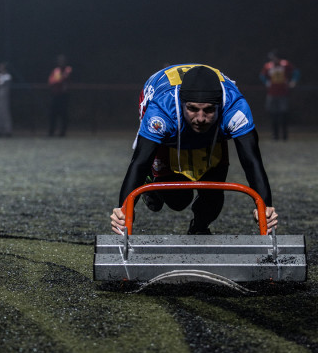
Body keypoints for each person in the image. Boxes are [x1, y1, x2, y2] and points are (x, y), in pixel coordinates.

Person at [111, 64, 278, 235]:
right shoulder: (162, 110)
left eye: (209, 110)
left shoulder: (234, 107)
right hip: (170, 123)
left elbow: (251, 161)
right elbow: (140, 162)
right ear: (181, 103)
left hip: (211, 131)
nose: (200, 118)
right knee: (179, 201)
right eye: (192, 109)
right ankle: (152, 180)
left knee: (213, 193)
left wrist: (265, 206)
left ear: (220, 105)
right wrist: (123, 210)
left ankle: (198, 228)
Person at [260, 50, 300, 140]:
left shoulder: (285, 64)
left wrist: (293, 81)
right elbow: (262, 75)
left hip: (283, 93)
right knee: (273, 114)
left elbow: (296, 72)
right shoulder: (268, 66)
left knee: (283, 114)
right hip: (272, 93)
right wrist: (267, 82)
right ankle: (275, 135)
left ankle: (285, 135)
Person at [48, 54, 72, 136]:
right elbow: (52, 81)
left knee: (64, 114)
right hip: (55, 94)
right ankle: (51, 132)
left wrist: (58, 79)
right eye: (59, 60)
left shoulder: (68, 69)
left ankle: (63, 132)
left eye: (62, 60)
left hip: (64, 95)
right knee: (53, 114)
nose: (61, 62)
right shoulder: (56, 70)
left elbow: (59, 80)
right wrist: (58, 79)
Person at [0, 62, 13, 137]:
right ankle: (0, 130)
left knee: (5, 113)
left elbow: (4, 84)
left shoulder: (7, 76)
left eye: (2, 66)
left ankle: (7, 131)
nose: (1, 68)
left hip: (4, 97)